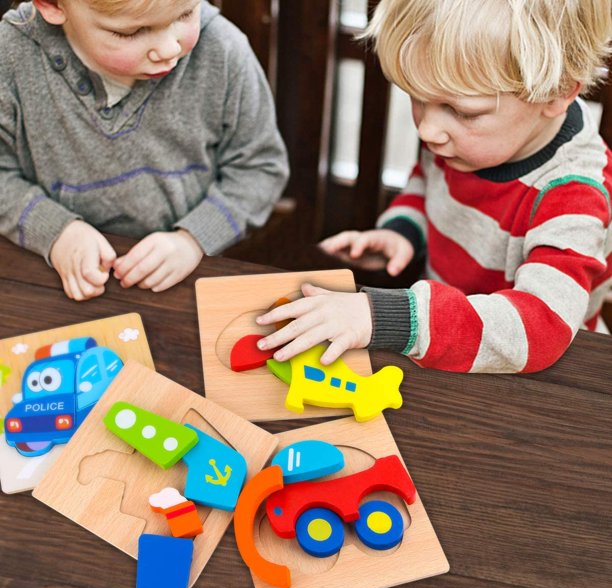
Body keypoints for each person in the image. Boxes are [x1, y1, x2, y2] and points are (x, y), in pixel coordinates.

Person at [257, 0, 612, 374]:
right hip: (447, 350)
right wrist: (404, 233)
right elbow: (428, 181)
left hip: (544, 379)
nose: (427, 130)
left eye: (462, 111)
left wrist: (387, 318)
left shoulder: (576, 195)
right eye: (416, 99)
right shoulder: (468, 140)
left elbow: (538, 329)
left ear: (555, 94)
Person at [0, 0, 288, 300]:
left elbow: (260, 168)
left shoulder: (224, 49)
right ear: (52, 6)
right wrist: (54, 231)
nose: (168, 49)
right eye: (132, 32)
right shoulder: (10, 55)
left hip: (185, 282)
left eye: (186, 14)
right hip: (49, 283)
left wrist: (194, 239)